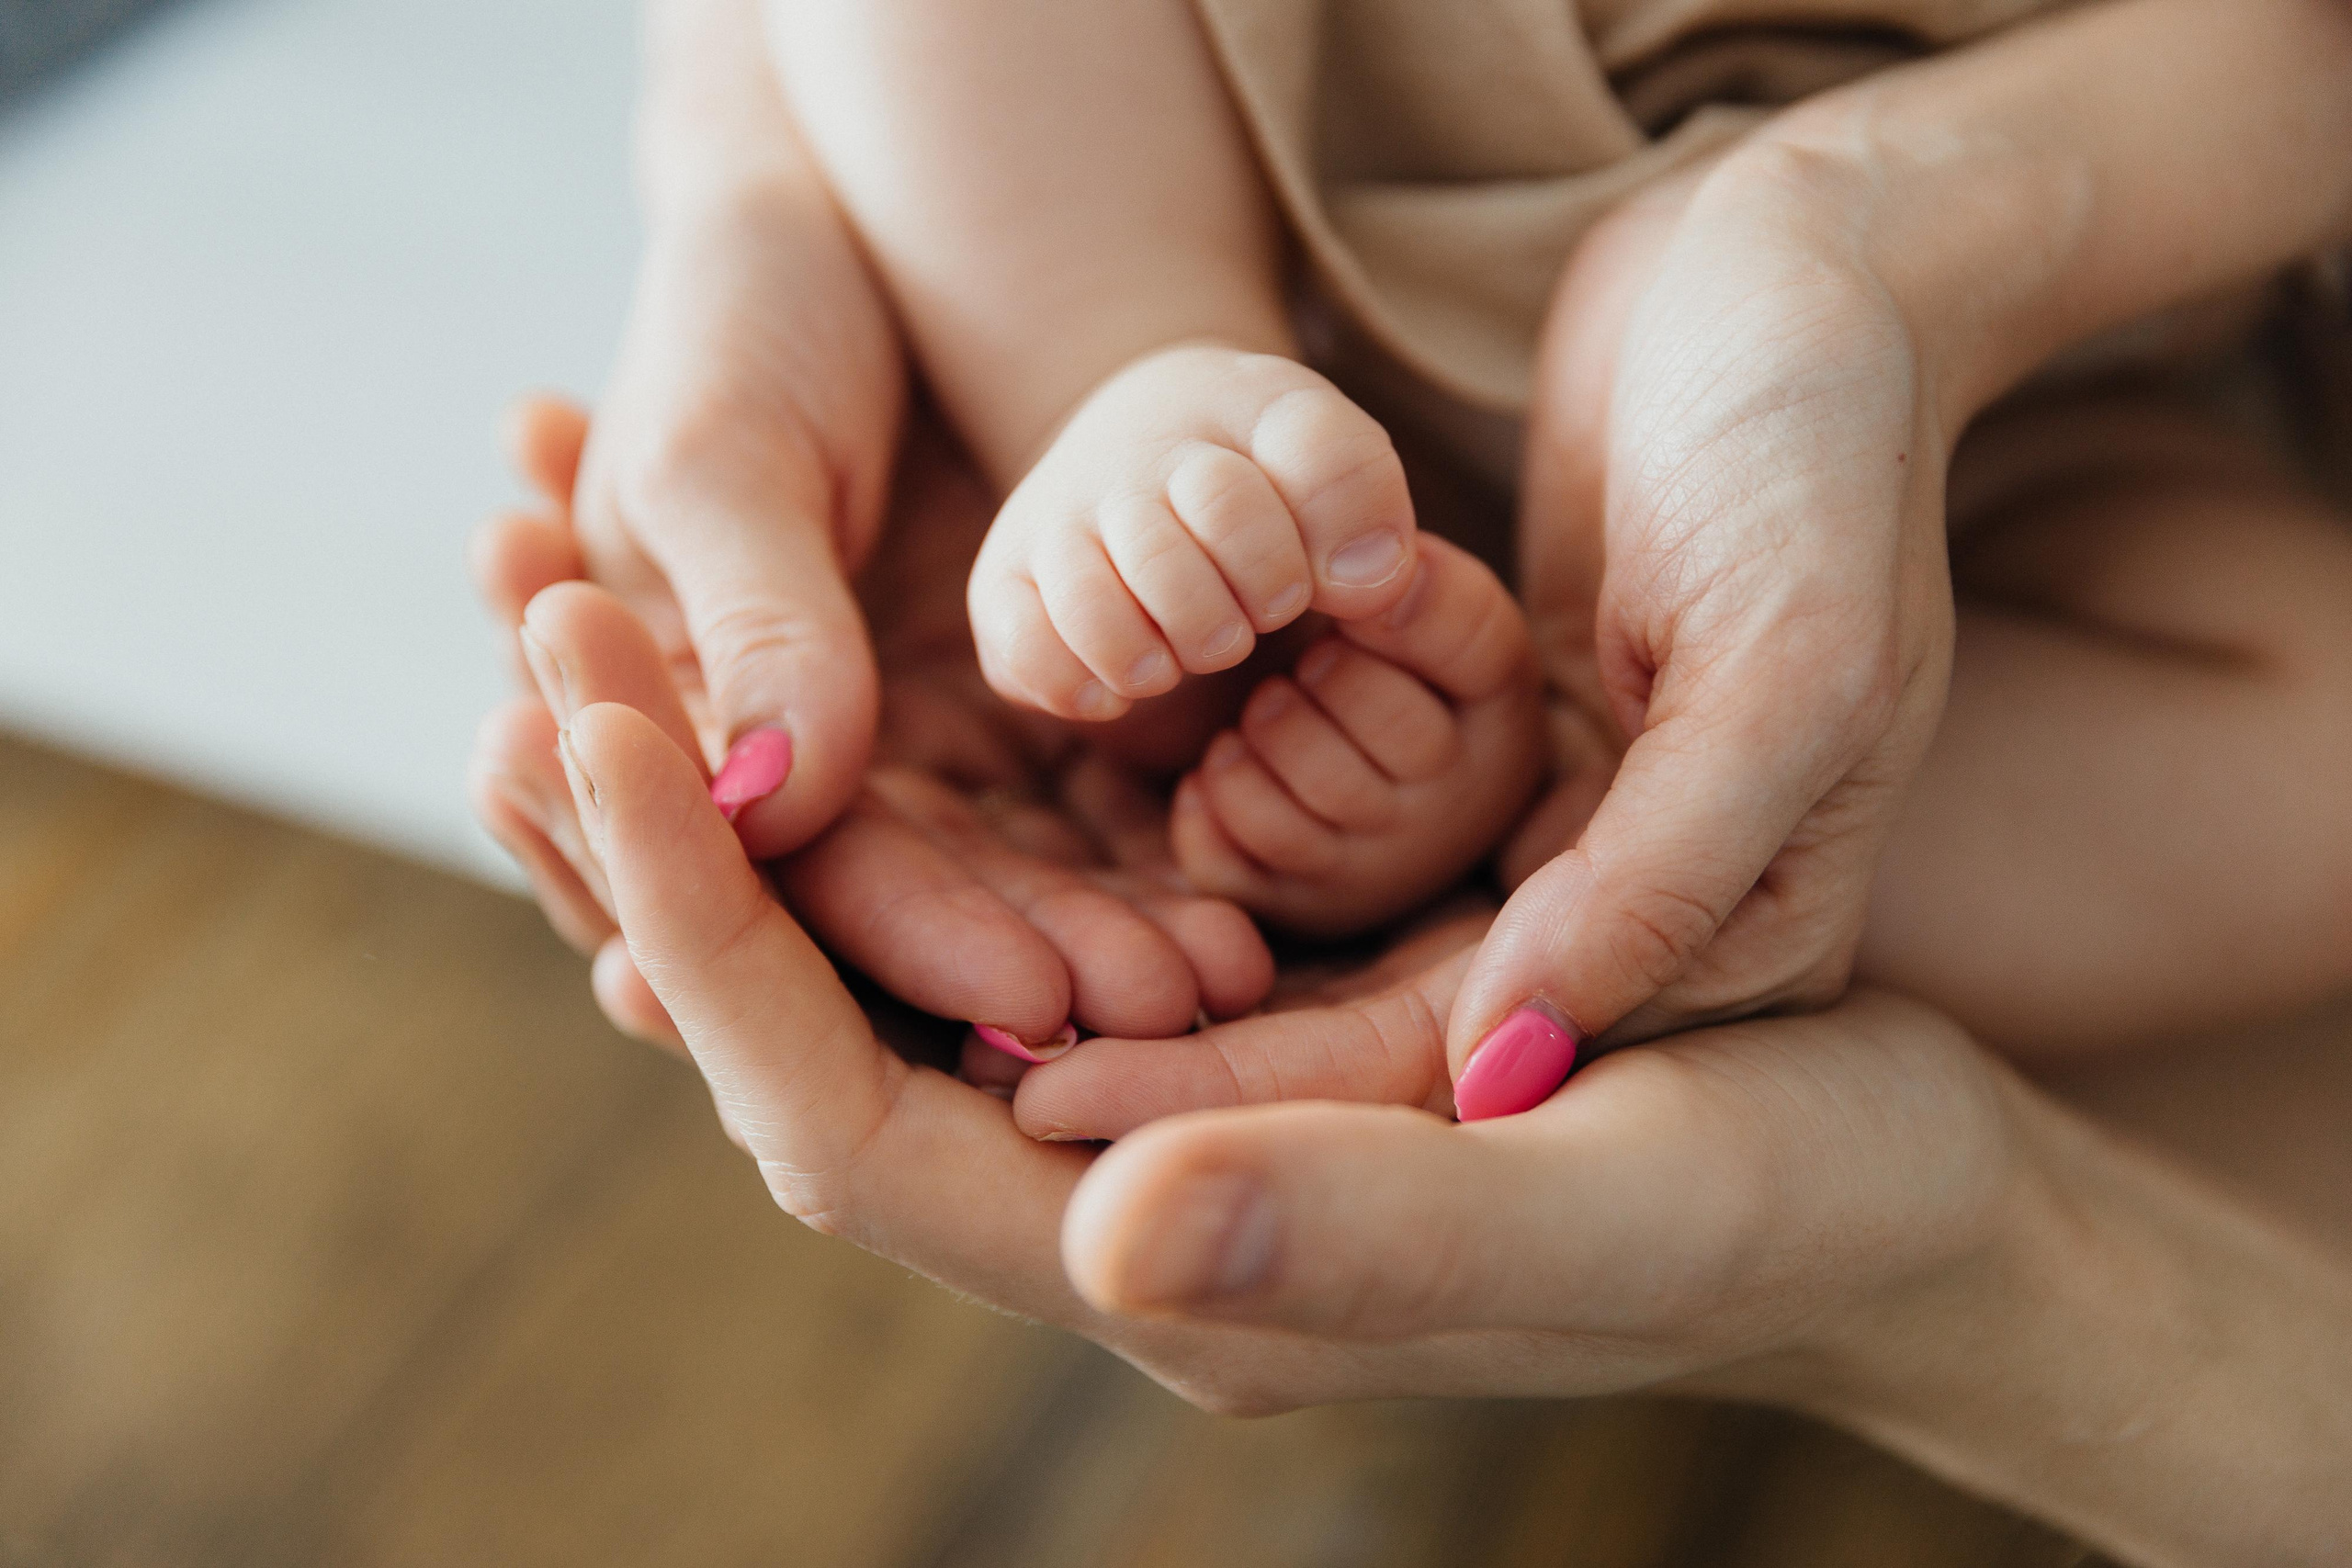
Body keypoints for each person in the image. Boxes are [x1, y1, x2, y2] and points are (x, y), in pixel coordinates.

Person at [469, 0, 2352, 1560]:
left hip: (2025, 345)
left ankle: (1631, 806)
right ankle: (1129, 393)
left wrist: (1831, 230)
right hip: (1279, 140)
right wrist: (752, 170)